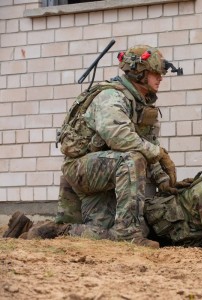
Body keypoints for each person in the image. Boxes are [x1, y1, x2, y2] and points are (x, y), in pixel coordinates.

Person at [3, 45, 178, 248]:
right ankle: (128, 234)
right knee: (132, 160)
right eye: (155, 73)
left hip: (101, 172)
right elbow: (119, 137)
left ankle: (35, 230)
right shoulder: (111, 97)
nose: (160, 78)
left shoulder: (140, 102)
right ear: (139, 74)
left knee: (101, 230)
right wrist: (159, 154)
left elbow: (144, 141)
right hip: (82, 169)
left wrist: (163, 179)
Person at [4, 147, 202, 249]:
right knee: (106, 238)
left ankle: (26, 226)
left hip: (155, 222)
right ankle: (51, 230)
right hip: (148, 227)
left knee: (102, 229)